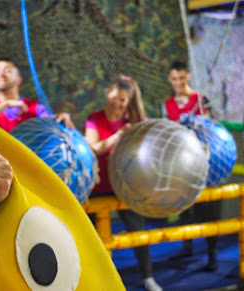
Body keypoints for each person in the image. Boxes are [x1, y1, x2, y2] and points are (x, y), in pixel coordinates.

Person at [85, 76, 162, 291]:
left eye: (122, 100)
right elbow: (94, 148)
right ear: (107, 93)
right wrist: (118, 135)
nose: (117, 103)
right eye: (114, 97)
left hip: (125, 187)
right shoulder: (95, 118)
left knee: (137, 231)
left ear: (128, 102)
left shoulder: (135, 122)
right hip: (98, 186)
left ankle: (148, 277)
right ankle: (96, 279)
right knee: (90, 235)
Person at [164, 61, 220, 271]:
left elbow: (213, 129)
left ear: (188, 76)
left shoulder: (201, 99)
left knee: (206, 210)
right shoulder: (168, 104)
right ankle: (186, 246)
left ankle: (212, 254)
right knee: (184, 208)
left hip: (203, 163)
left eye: (182, 78)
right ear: (170, 79)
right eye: (174, 79)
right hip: (181, 164)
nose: (178, 83)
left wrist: (198, 124)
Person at [0, 58, 74, 132]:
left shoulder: (36, 109)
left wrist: (60, 117)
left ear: (19, 79)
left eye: (7, 71)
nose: (1, 74)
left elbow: (49, 123)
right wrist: (6, 104)